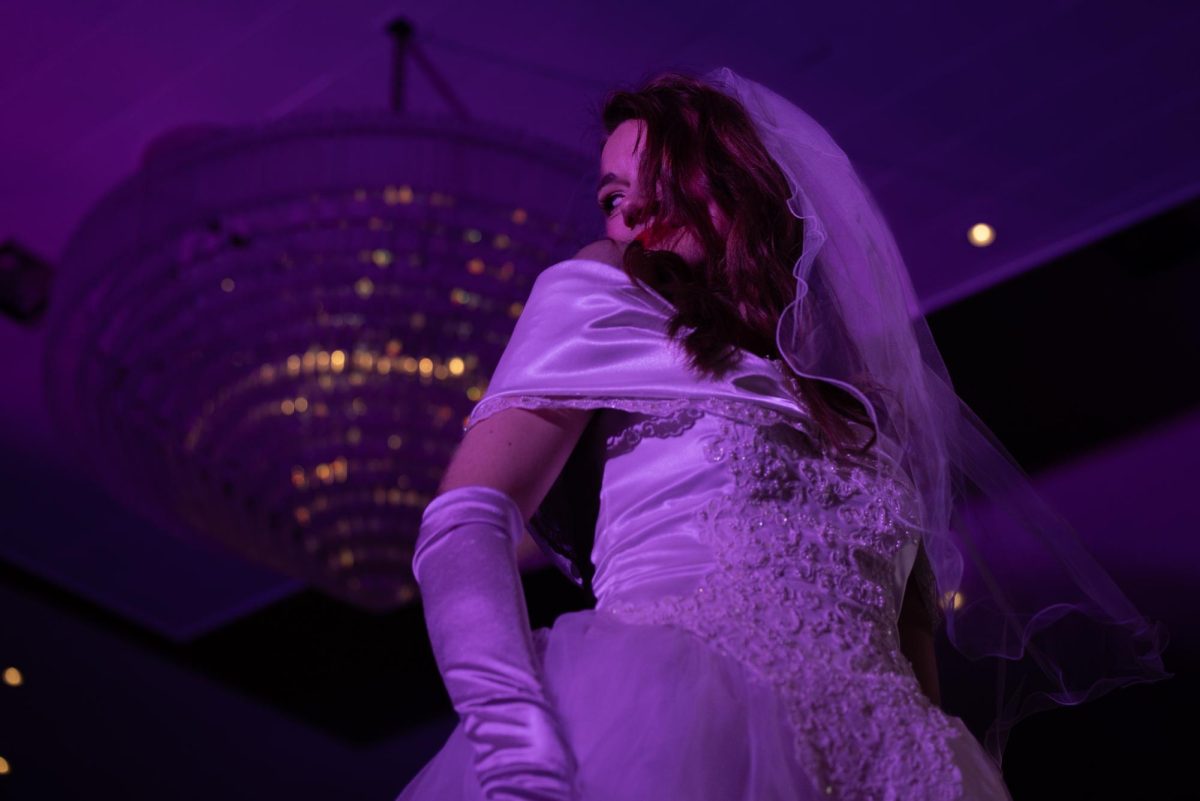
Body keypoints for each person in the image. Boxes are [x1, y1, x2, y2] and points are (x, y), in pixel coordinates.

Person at [395, 68, 1170, 801]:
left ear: (737, 183)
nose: (628, 212)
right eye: (610, 194)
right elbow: (465, 520)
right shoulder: (602, 293)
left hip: (886, 758)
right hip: (677, 717)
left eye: (659, 178)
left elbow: (909, 645)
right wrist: (513, 738)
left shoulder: (869, 418)